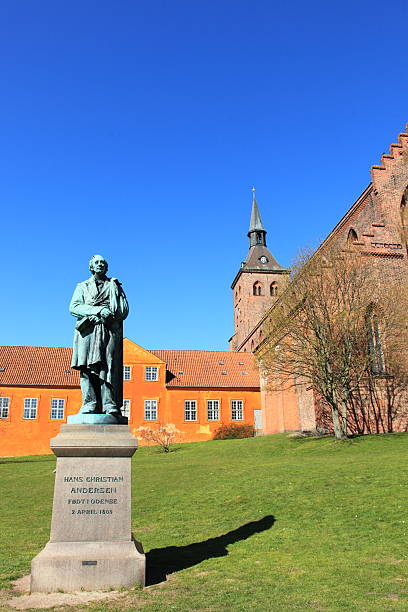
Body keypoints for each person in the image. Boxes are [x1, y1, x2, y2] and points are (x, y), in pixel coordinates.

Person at [69, 255, 129, 419]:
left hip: (108, 329)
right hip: (87, 331)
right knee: (86, 368)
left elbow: (124, 310)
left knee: (108, 365)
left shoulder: (114, 285)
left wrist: (109, 315)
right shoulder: (82, 286)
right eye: (97, 262)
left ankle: (109, 403)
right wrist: (97, 311)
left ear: (106, 267)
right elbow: (74, 307)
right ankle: (89, 403)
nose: (100, 264)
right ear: (91, 267)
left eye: (103, 262)